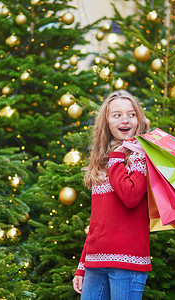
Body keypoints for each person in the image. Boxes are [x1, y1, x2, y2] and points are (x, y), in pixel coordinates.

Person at [73, 90, 151, 299]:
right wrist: (82, 265)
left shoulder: (141, 157)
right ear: (106, 122)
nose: (125, 120)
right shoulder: (101, 162)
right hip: (95, 261)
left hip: (128, 261)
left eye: (131, 114)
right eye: (117, 115)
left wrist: (118, 156)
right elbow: (98, 220)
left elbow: (131, 197)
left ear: (139, 120)